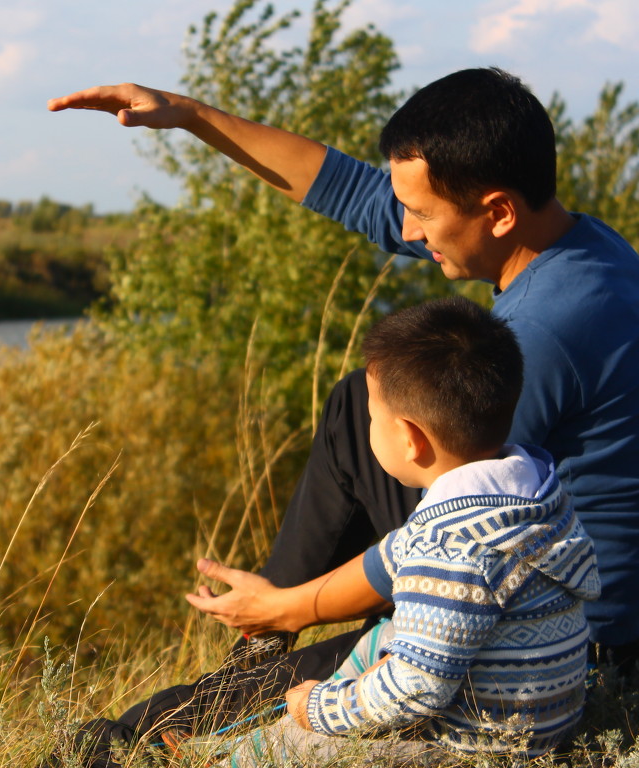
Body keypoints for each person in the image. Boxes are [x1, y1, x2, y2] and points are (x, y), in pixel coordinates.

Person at [46, 67, 639, 757]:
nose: (407, 230)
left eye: (422, 213)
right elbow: (354, 192)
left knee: (143, 731)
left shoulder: (545, 330)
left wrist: (294, 606)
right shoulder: (573, 245)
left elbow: (443, 543)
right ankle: (262, 650)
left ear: (497, 210)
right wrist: (190, 115)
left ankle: (200, 698)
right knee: (367, 401)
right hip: (531, 580)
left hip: (553, 653)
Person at [190, 296, 600, 766]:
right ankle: (238, 743)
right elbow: (392, 556)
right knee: (383, 635)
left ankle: (231, 758)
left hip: (473, 749)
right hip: (544, 720)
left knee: (305, 745)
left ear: (410, 439)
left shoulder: (449, 546)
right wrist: (285, 607)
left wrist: (320, 708)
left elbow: (416, 689)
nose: (364, 425)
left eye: (370, 416)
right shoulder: (530, 491)